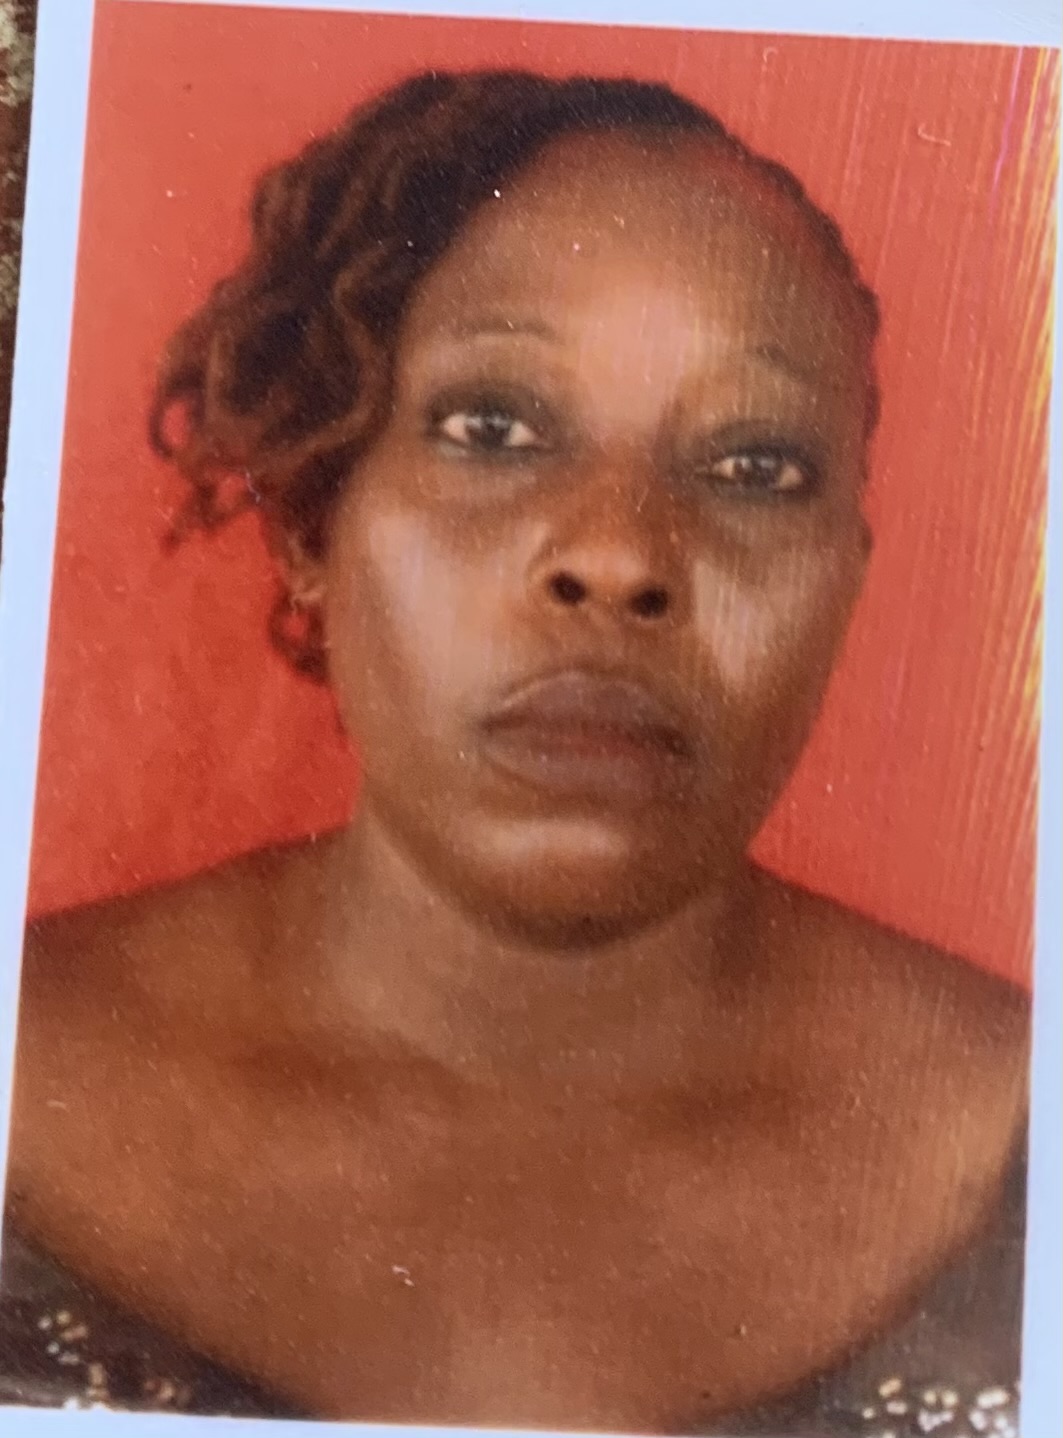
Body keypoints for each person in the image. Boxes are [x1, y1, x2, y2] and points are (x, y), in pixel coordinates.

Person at [0, 71, 1029, 1437]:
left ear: (849, 574)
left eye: (753, 466)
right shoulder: (28, 1058)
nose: (619, 556)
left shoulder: (1023, 1131)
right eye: (493, 428)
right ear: (311, 523)